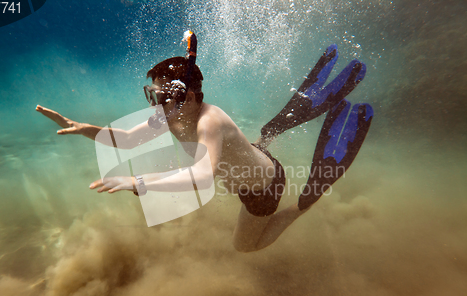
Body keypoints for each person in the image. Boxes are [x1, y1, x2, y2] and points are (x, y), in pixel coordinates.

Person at [36, 44, 373, 252]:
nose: (156, 106)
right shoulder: (169, 116)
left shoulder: (208, 122)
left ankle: (303, 203)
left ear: (191, 97)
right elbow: (124, 139)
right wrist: (84, 129)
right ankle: (269, 135)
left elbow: (203, 174)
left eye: (161, 98)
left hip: (264, 188)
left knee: (244, 248)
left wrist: (141, 183)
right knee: (246, 151)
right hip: (251, 162)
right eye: (151, 97)